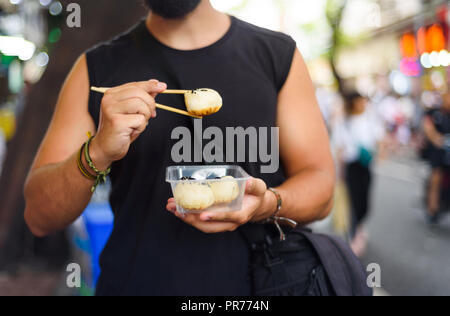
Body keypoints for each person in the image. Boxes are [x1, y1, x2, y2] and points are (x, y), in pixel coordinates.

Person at [24, 0, 335, 295]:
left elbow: (322, 189)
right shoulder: (95, 69)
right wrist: (97, 152)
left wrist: (269, 204)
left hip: (261, 288)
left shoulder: (277, 56)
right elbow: (39, 216)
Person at [334, 92, 384, 257]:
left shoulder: (369, 119)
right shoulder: (343, 121)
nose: (363, 104)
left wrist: (381, 152)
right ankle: (354, 233)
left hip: (366, 164)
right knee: (353, 200)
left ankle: (360, 226)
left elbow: (378, 139)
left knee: (364, 200)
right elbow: (339, 147)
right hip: (351, 165)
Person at [422, 92, 450, 223]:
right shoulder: (435, 112)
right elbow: (428, 126)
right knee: (436, 176)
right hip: (438, 152)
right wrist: (435, 138)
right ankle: (432, 207)